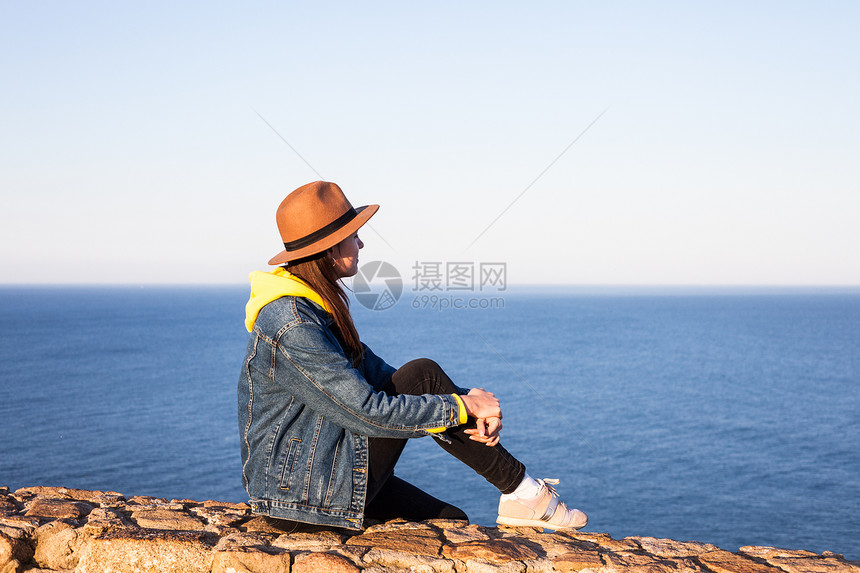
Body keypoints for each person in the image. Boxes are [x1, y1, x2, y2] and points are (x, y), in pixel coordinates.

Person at [238, 180, 587, 531]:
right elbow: (367, 412)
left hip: (322, 470)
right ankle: (526, 494)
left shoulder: (313, 309)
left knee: (452, 521)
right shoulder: (293, 323)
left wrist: (468, 404)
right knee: (423, 373)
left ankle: (520, 495)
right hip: (299, 496)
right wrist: (463, 407)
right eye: (353, 235)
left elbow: (384, 378)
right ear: (330, 249)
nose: (361, 243)